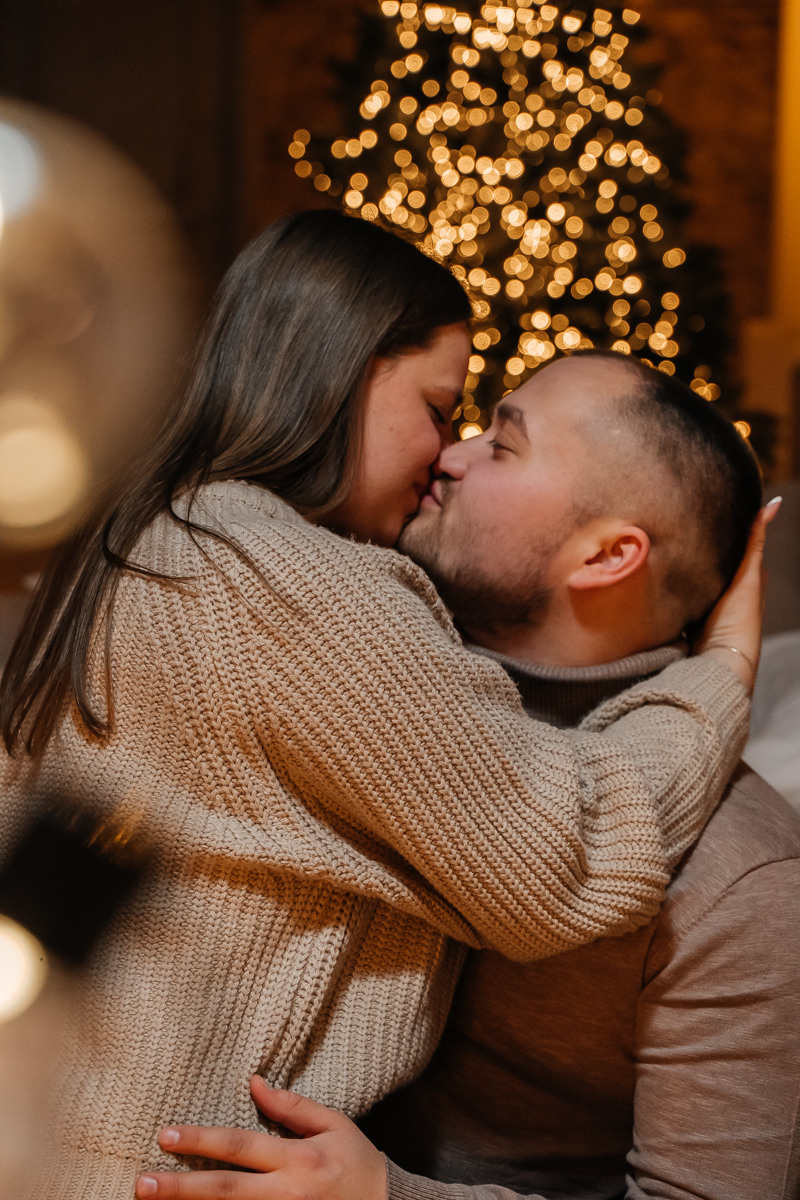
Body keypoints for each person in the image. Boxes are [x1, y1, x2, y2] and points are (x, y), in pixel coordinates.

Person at [0, 213, 759, 1199]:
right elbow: (569, 861)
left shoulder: (154, 534)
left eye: (487, 434)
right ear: (342, 371)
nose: (446, 453)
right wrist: (720, 670)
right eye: (442, 409)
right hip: (141, 1168)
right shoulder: (284, 582)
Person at [136, 353, 797, 1200]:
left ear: (606, 556)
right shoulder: (339, 670)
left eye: (503, 444)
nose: (450, 453)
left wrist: (387, 1196)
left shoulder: (745, 878)